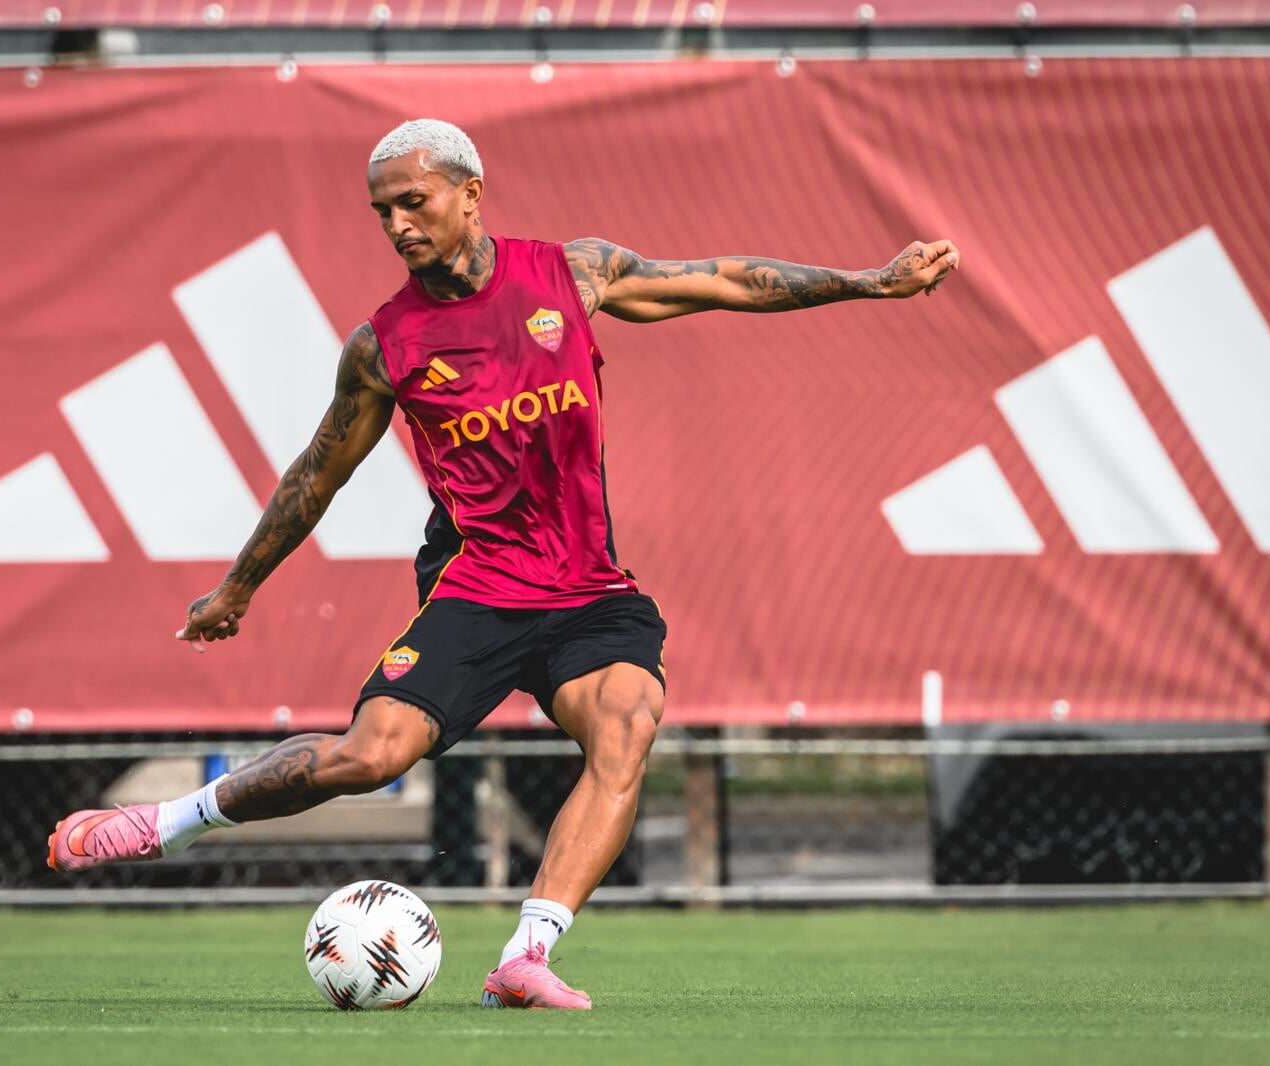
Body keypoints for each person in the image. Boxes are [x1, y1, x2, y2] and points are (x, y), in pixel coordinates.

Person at [47, 118, 960, 1009]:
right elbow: (316, 476)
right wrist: (236, 589)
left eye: (414, 201)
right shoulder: (383, 346)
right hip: (478, 586)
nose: (398, 224)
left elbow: (724, 281)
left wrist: (872, 282)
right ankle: (163, 825)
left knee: (627, 725)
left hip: (590, 590)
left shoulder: (573, 273)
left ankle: (526, 957)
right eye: (382, 211)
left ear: (470, 193)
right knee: (370, 757)